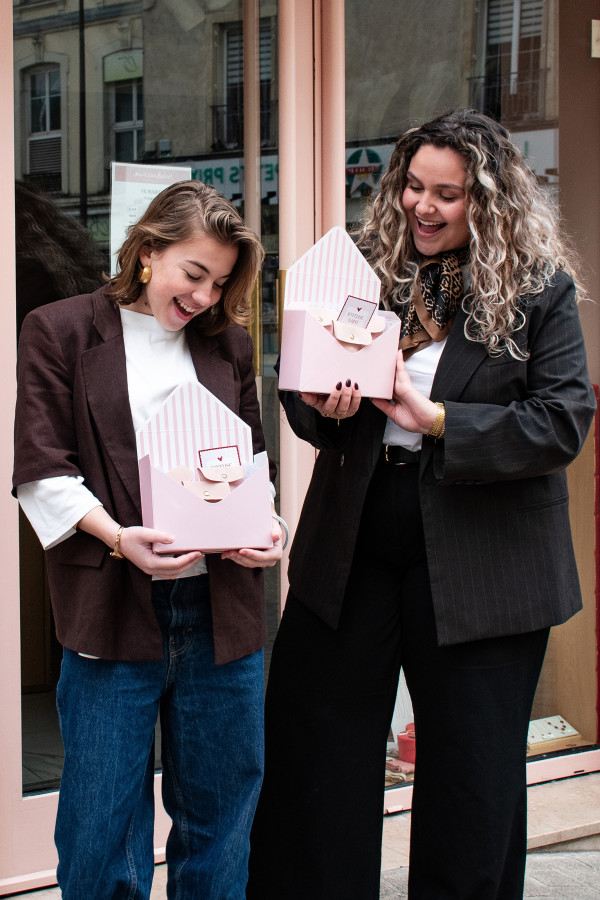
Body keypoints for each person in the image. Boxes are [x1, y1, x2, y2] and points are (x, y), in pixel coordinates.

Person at [247, 110, 596, 900]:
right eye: (412, 186)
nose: (422, 206)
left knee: (472, 771)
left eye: (448, 194)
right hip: (357, 541)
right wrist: (326, 410)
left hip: (487, 554)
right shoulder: (363, 275)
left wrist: (436, 418)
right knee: (318, 752)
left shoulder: (541, 290)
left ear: (491, 201)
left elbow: (562, 421)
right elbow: (306, 402)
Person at [13, 180, 282, 900]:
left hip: (220, 611)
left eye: (219, 283)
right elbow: (42, 470)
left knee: (221, 815)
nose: (202, 296)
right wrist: (117, 536)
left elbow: (252, 463)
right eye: (193, 274)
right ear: (146, 251)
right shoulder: (59, 330)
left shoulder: (227, 345)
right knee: (102, 827)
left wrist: (270, 529)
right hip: (112, 605)